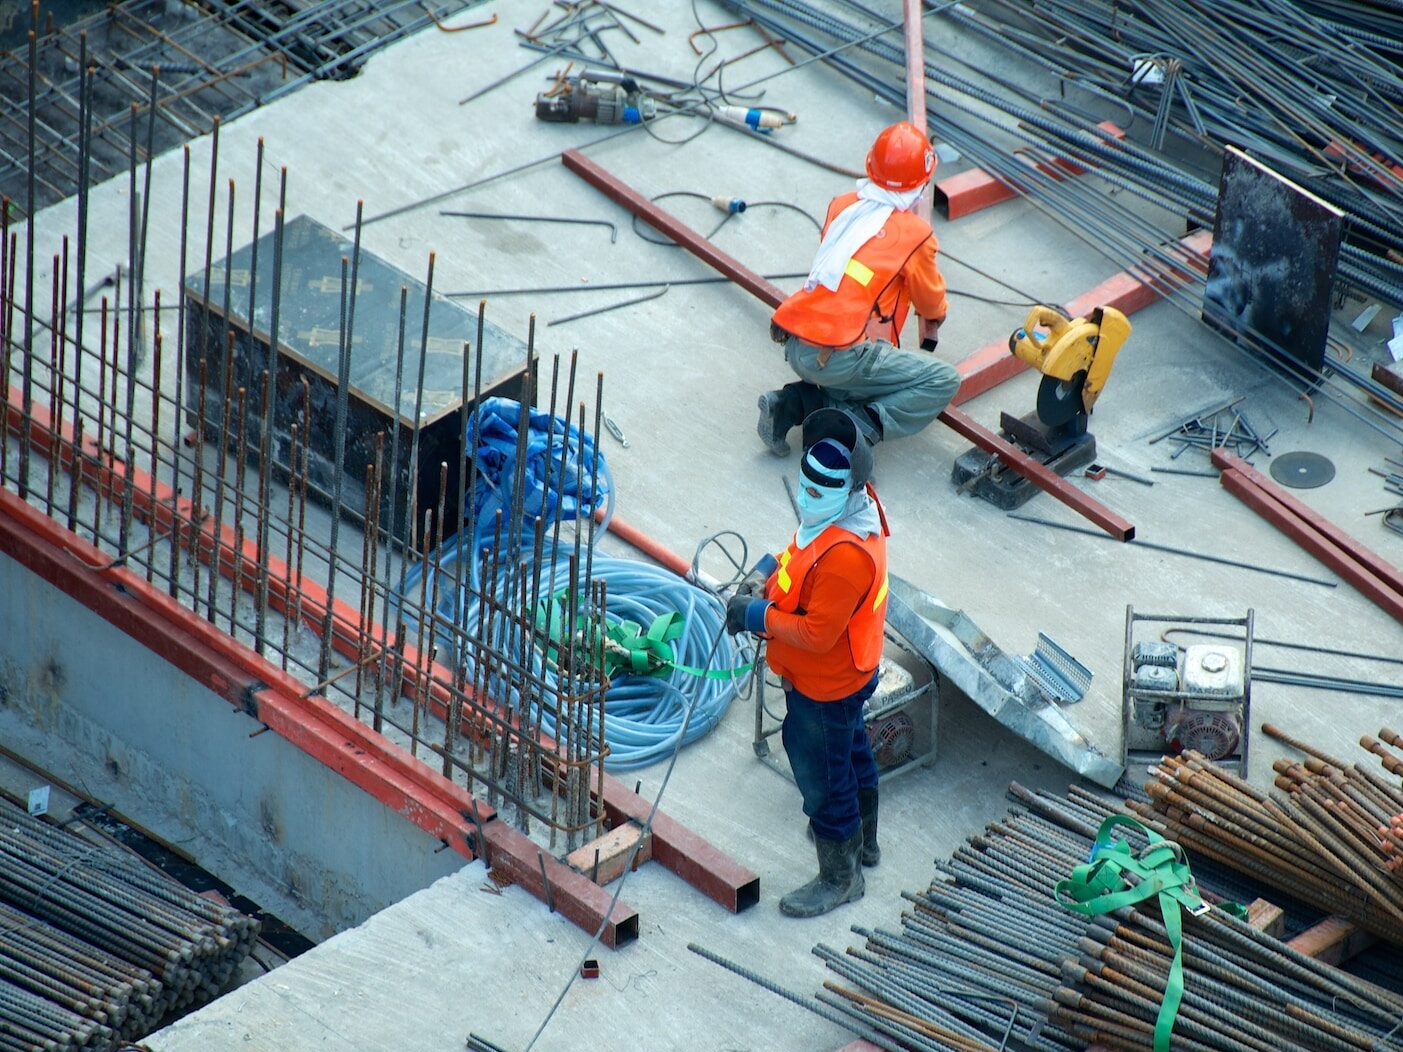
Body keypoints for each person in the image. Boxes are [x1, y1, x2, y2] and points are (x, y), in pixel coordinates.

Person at [726, 409, 889, 918]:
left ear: (849, 488)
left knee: (824, 779)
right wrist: (765, 571)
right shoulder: (845, 514)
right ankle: (863, 843)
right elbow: (799, 556)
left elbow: (818, 635)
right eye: (805, 486)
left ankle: (842, 877)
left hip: (826, 685)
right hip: (849, 675)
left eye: (820, 491)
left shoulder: (846, 557)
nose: (808, 497)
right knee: (851, 750)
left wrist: (756, 614)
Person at [759, 121, 960, 455]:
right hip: (839, 354)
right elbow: (929, 303)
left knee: (860, 376)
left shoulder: (843, 206)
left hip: (797, 340)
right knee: (942, 379)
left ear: (871, 166)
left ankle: (789, 405)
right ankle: (856, 427)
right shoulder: (915, 234)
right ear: (922, 183)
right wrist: (937, 313)